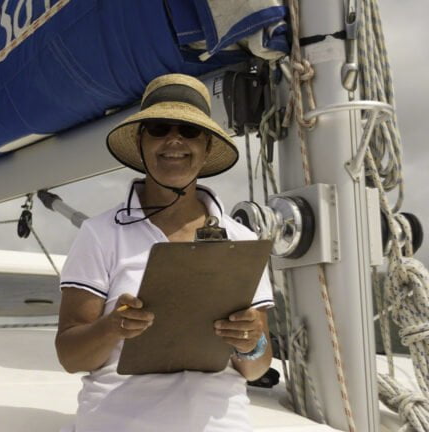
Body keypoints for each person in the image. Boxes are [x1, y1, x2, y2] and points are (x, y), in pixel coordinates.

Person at [55, 73, 274, 432]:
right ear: (141, 142)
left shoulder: (243, 239)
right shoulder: (99, 234)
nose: (174, 140)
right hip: (121, 419)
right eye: (159, 127)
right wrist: (113, 327)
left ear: (206, 146)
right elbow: (70, 356)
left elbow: (257, 366)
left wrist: (251, 342)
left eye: (189, 131)